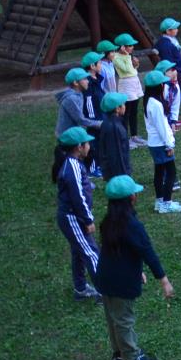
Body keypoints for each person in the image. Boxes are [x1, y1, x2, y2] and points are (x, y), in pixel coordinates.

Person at [99, 174, 173, 360]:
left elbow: (119, 252)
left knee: (113, 317)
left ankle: (118, 353)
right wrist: (163, 280)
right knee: (124, 319)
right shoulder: (131, 225)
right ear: (131, 198)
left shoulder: (108, 221)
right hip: (120, 281)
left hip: (105, 277)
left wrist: (137, 270)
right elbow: (147, 251)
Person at [53, 126, 100, 300]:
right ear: (79, 147)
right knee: (91, 252)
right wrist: (88, 220)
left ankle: (80, 289)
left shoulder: (74, 163)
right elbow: (77, 196)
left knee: (79, 251)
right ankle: (104, 291)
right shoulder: (71, 166)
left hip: (73, 216)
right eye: (87, 143)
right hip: (73, 217)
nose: (90, 146)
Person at [142, 70, 181, 214]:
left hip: (154, 143)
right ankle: (167, 202)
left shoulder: (148, 101)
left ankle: (159, 201)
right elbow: (162, 127)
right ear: (158, 86)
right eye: (162, 83)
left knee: (159, 172)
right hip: (161, 143)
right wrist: (169, 144)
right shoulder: (156, 105)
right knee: (171, 172)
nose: (165, 85)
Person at [109, 34, 144, 141]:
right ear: (122, 47)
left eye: (132, 45)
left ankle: (134, 135)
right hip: (126, 85)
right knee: (126, 112)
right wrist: (128, 57)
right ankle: (124, 137)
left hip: (134, 83)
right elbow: (126, 70)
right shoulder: (116, 57)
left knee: (134, 111)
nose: (132, 47)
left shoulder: (129, 55)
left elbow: (133, 71)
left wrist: (136, 64)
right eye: (129, 45)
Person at [96, 93, 132, 181]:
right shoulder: (114, 127)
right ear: (117, 108)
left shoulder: (111, 122)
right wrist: (125, 178)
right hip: (118, 176)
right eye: (123, 104)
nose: (124, 106)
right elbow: (116, 155)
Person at [154, 17, 181, 101]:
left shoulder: (170, 41)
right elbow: (170, 61)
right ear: (168, 31)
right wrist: (179, 72)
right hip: (173, 72)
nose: (177, 30)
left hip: (175, 71)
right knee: (174, 93)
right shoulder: (167, 45)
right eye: (175, 28)